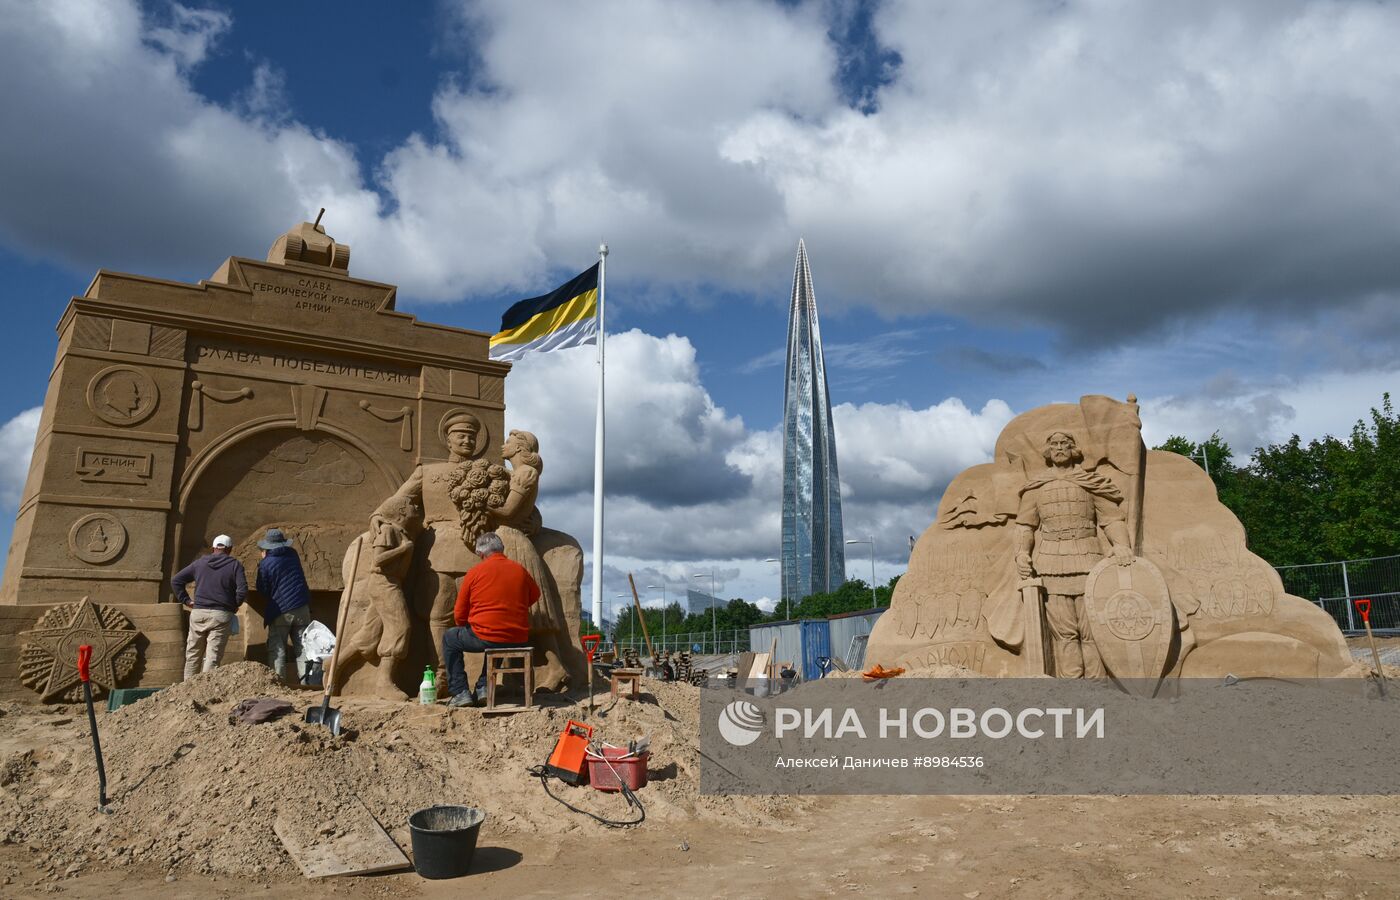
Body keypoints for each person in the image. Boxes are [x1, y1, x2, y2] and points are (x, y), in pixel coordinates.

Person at [1014, 431, 1133, 678]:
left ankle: (1097, 685)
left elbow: (1111, 519)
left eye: (1064, 444)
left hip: (1090, 561)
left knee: (1092, 632)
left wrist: (1121, 545)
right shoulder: (1036, 488)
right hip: (1050, 564)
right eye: (1054, 444)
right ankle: (1072, 686)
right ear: (1047, 452)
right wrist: (1021, 554)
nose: (1059, 448)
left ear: (1073, 449)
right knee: (1065, 634)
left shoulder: (1090, 482)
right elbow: (1026, 526)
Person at [442, 531, 540, 707]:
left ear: (481, 554)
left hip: (487, 636)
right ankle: (483, 687)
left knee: (450, 638)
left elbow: (459, 614)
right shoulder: (520, 570)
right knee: (498, 638)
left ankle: (460, 692)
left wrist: (465, 624)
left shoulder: (474, 572)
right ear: (501, 549)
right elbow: (535, 595)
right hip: (516, 637)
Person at [172, 534, 248, 679]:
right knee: (213, 656)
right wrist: (234, 605)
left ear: (213, 548)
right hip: (221, 614)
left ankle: (186, 690)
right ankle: (205, 692)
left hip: (198, 612)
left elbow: (176, 580)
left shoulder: (200, 563)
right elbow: (242, 589)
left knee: (193, 654)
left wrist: (187, 601)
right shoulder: (234, 565)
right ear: (229, 549)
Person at [256, 528, 312, 684]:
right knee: (303, 647)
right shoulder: (293, 555)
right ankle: (308, 683)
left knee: (277, 648)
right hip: (302, 606)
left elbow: (263, 589)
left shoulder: (266, 563)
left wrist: (263, 561)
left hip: (280, 610)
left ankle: (278, 683)